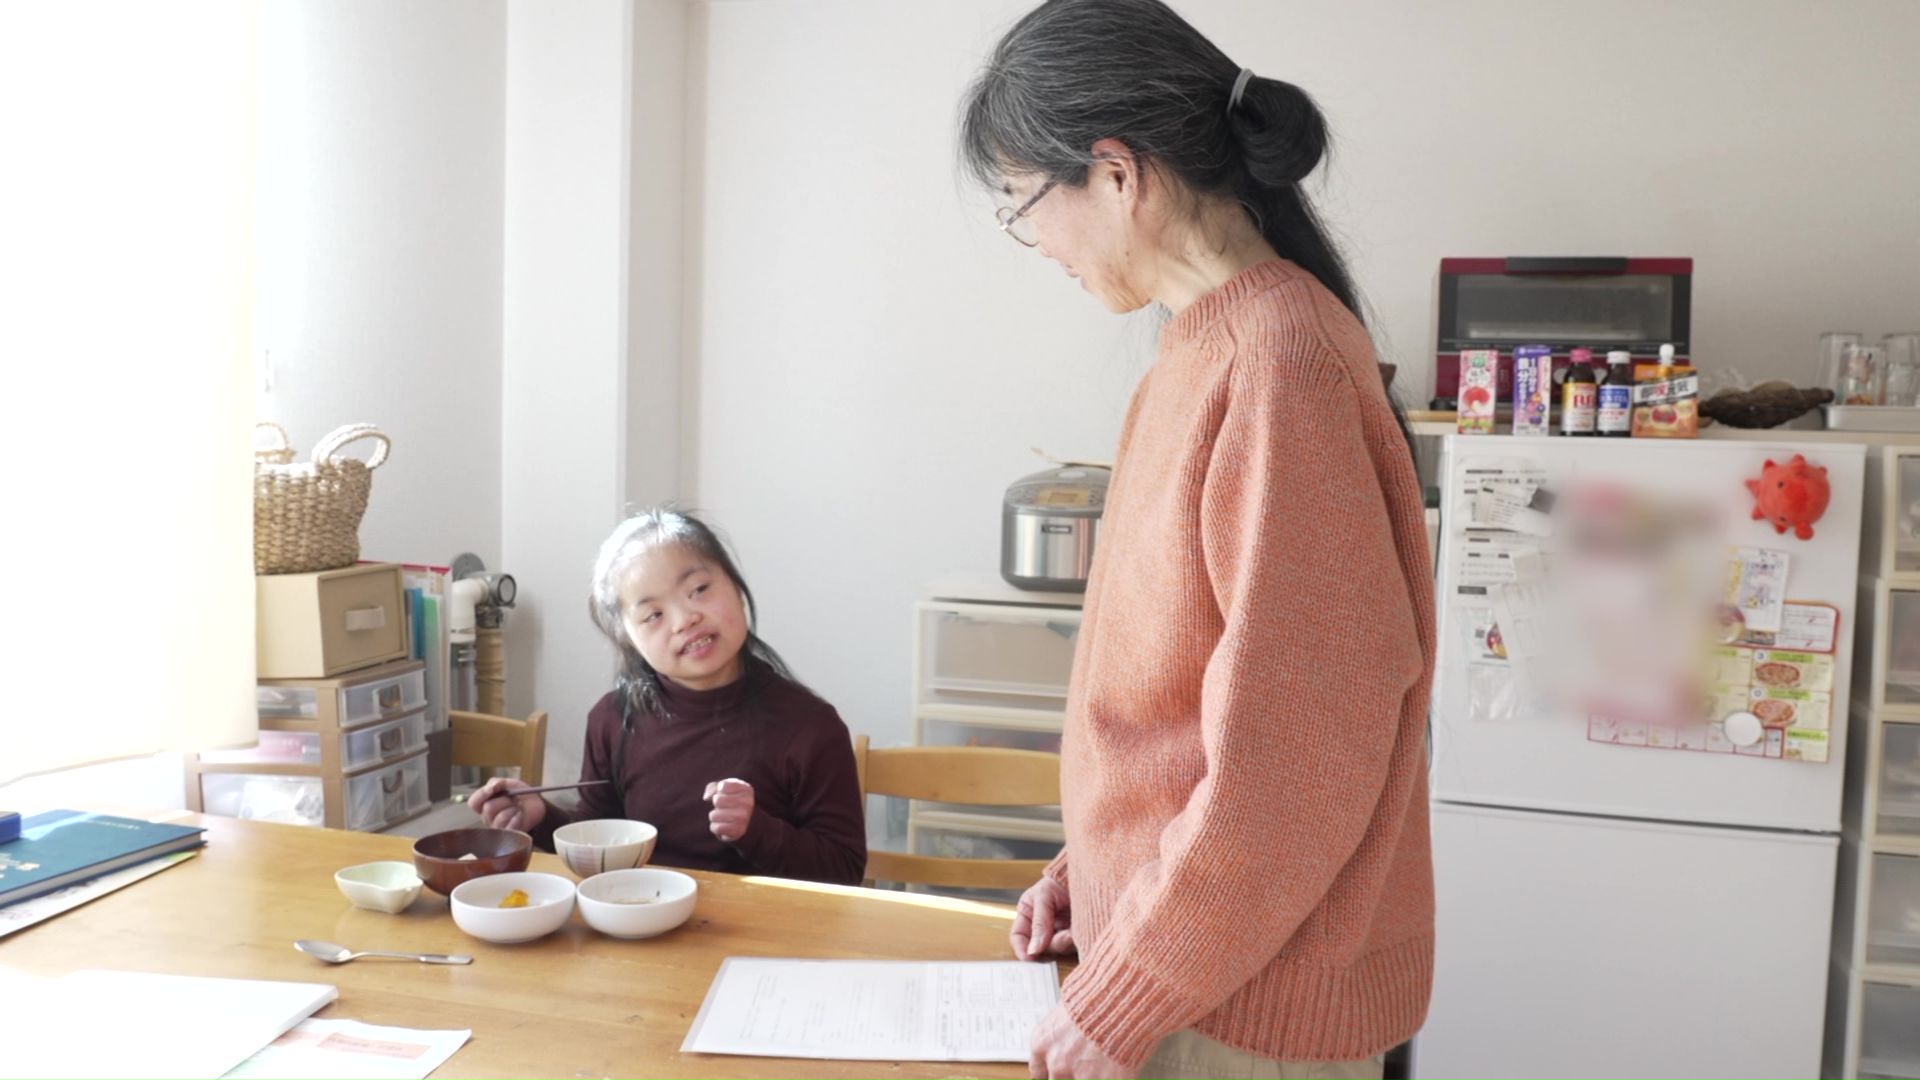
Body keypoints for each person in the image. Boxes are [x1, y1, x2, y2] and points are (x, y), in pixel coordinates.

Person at [959, 2, 1437, 1078]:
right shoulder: (1202, 349)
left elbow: (1297, 761)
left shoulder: (1281, 366)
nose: (1032, 238)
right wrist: (1097, 869)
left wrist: (1131, 988)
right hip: (1202, 967)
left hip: (1240, 1007)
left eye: (1021, 200)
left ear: (1117, 173)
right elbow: (1177, 707)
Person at [470, 508, 867, 886]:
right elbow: (603, 839)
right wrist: (541, 818)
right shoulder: (613, 719)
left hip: (763, 942)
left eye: (699, 589)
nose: (684, 619)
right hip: (645, 928)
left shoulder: (810, 726)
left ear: (737, 588)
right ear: (629, 638)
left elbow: (844, 870)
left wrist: (756, 829)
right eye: (653, 615)